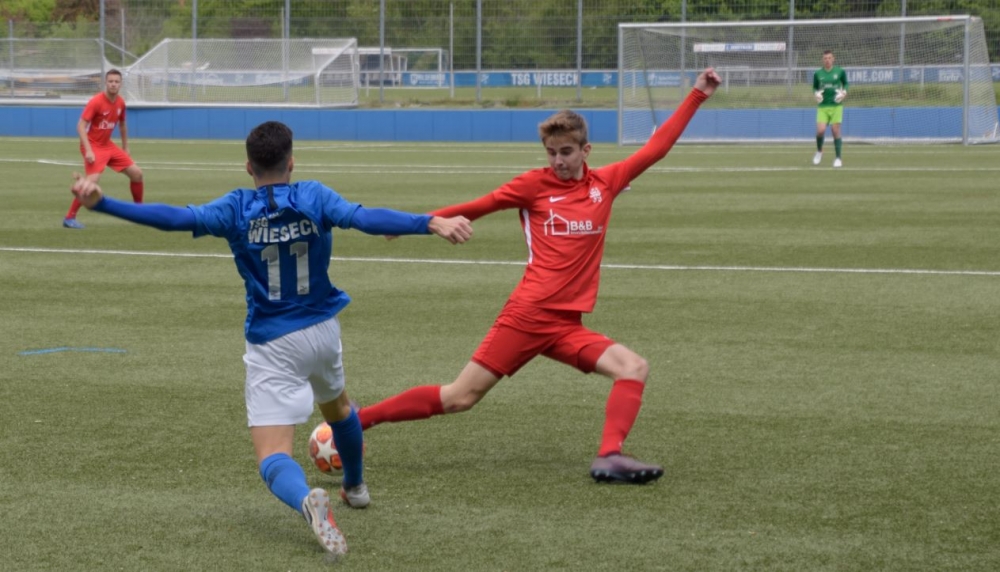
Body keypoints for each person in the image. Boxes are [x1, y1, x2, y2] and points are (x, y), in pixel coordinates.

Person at [69, 121, 474, 559]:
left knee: (272, 456)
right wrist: (428, 222)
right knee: (339, 408)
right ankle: (355, 487)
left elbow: (175, 219)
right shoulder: (314, 195)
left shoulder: (235, 207)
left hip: (273, 342)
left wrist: (104, 203)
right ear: (291, 162)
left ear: (248, 167)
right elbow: (364, 218)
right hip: (323, 330)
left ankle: (305, 500)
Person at [357, 68, 722, 485]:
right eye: (551, 152)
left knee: (633, 367)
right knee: (460, 397)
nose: (558, 161)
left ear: (586, 150)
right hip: (529, 315)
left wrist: (697, 94)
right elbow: (480, 205)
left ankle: (610, 456)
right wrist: (418, 223)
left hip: (565, 323)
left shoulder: (606, 183)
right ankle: (357, 421)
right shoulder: (533, 186)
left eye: (566, 151)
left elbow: (657, 147)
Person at [64, 68, 145, 229]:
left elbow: (122, 125)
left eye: (116, 82)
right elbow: (80, 126)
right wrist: (88, 150)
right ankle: (69, 218)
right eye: (110, 81)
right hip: (93, 145)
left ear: (120, 84)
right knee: (91, 181)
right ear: (105, 83)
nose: (113, 84)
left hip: (108, 145)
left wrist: (125, 147)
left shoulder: (120, 102)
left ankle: (140, 213)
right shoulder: (96, 101)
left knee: (137, 174)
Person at [812, 50, 848, 168]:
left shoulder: (840, 71)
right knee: (821, 130)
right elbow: (814, 87)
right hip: (823, 106)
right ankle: (819, 151)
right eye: (825, 58)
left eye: (829, 58)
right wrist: (816, 94)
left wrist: (844, 92)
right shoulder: (818, 73)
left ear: (833, 59)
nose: (827, 60)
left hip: (836, 105)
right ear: (822, 60)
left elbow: (846, 83)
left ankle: (838, 158)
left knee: (835, 130)